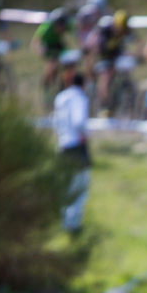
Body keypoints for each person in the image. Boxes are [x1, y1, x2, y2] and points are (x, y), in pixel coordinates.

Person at [54, 53, 91, 233]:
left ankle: (64, 220)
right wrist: (85, 135)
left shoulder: (60, 98)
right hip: (77, 146)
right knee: (80, 186)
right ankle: (73, 224)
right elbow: (79, 122)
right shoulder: (80, 98)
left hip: (62, 145)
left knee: (66, 185)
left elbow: (56, 123)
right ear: (82, 84)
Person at [93, 9, 133, 114]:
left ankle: (127, 99)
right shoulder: (105, 30)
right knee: (105, 77)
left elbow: (132, 42)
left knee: (126, 71)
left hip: (116, 57)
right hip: (103, 57)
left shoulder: (124, 31)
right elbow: (100, 49)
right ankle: (103, 105)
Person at [32, 8, 70, 103]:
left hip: (58, 45)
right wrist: (40, 51)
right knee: (52, 65)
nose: (61, 28)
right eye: (59, 25)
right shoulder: (46, 27)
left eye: (63, 25)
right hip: (47, 47)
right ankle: (46, 86)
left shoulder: (66, 26)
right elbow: (36, 41)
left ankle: (64, 86)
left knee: (67, 64)